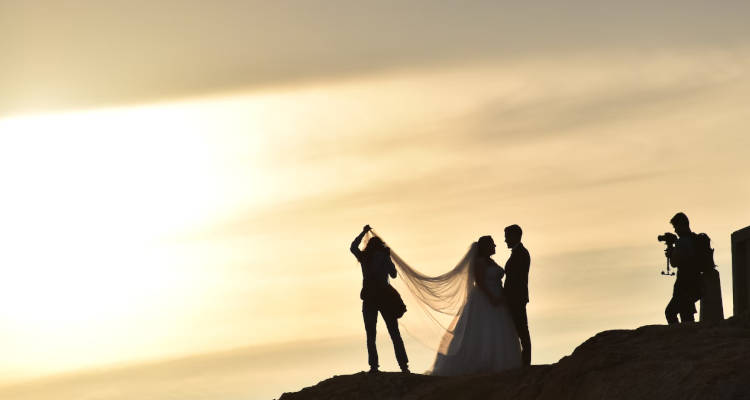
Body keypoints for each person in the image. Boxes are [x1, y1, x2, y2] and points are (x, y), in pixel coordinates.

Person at [429, 235, 522, 375]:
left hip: (498, 298)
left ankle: (497, 362)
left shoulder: (491, 261)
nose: (495, 246)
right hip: (485, 299)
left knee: (497, 330)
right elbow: (479, 282)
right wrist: (492, 298)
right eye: (492, 244)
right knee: (484, 329)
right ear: (485, 247)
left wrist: (501, 296)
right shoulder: (479, 262)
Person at [350, 225, 409, 373]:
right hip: (384, 296)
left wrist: (363, 232)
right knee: (394, 333)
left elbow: (352, 247)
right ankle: (404, 366)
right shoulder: (383, 256)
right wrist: (387, 260)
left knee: (371, 334)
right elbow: (394, 274)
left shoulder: (364, 257)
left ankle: (374, 366)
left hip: (370, 297)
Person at [665, 212, 702, 324]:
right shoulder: (694, 239)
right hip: (695, 283)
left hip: (684, 285)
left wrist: (671, 252)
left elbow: (674, 263)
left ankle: (679, 337)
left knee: (670, 312)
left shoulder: (682, 242)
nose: (675, 230)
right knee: (686, 315)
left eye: (675, 227)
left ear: (681, 226)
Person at [503, 224, 532, 366]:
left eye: (507, 237)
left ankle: (525, 362)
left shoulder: (521, 254)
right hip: (514, 297)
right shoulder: (517, 253)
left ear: (515, 236)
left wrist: (506, 294)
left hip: (516, 298)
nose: (505, 240)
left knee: (521, 330)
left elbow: (517, 279)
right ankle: (520, 361)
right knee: (517, 330)